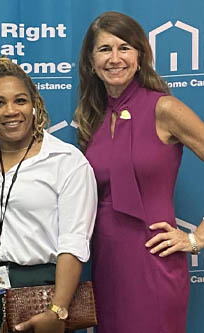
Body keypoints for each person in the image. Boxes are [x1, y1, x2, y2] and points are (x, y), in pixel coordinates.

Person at [74, 11, 204, 333]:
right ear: (91, 61)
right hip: (106, 262)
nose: (115, 58)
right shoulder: (93, 120)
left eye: (124, 48)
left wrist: (197, 238)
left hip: (155, 257)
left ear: (140, 56)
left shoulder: (165, 109)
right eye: (105, 49)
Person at [0, 57, 97, 333]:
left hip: (42, 295)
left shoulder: (67, 160)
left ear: (35, 105)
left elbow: (74, 241)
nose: (11, 111)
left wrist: (58, 309)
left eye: (20, 101)